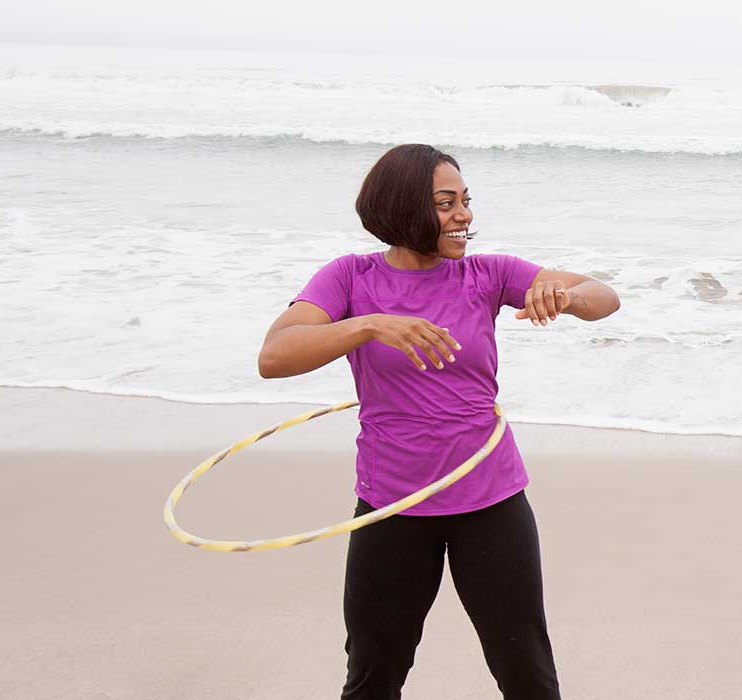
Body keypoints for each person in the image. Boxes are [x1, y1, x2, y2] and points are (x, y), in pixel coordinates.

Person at [257, 144, 620, 699]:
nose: (465, 215)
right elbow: (275, 356)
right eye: (447, 203)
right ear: (404, 208)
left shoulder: (487, 274)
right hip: (392, 506)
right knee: (373, 677)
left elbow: (605, 296)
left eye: (466, 202)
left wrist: (565, 296)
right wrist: (368, 326)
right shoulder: (350, 279)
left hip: (491, 503)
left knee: (527, 675)